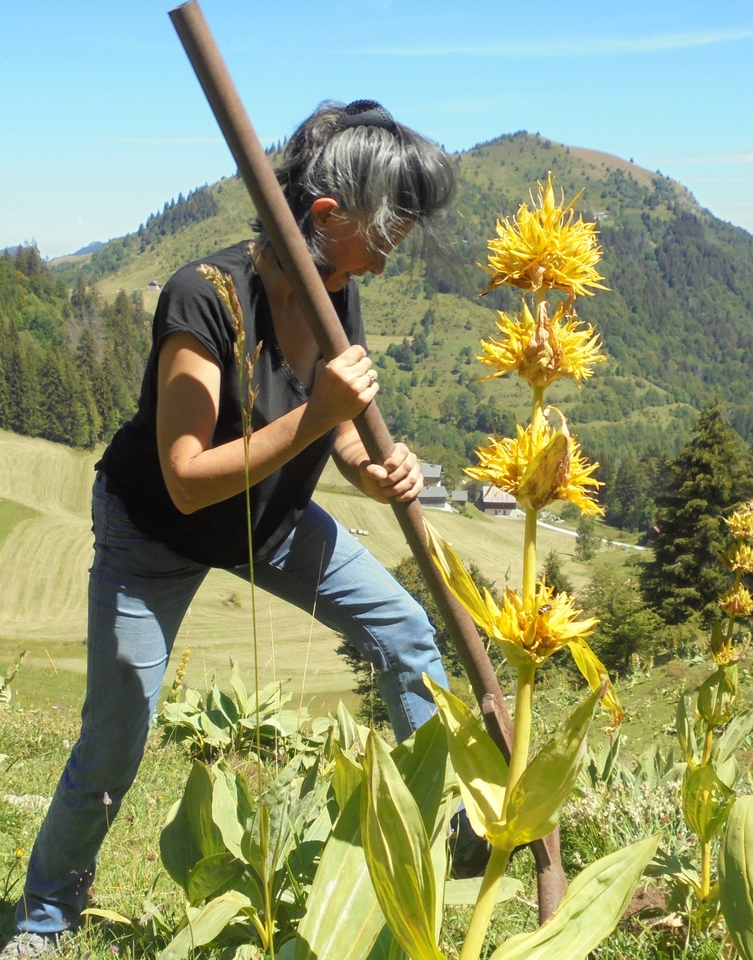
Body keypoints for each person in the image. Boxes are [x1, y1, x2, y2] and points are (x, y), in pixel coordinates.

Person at [5, 100, 480, 958]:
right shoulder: (203, 296)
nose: (394, 252)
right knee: (116, 740)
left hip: (278, 522)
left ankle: (446, 833)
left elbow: (329, 421)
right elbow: (186, 480)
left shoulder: (338, 290)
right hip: (156, 534)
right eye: (388, 233)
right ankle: (45, 917)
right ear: (327, 219)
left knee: (406, 631)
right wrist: (317, 421)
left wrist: (368, 468)